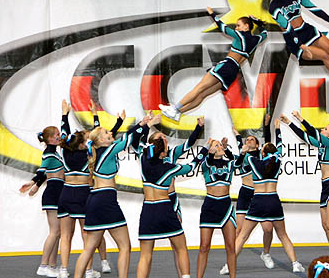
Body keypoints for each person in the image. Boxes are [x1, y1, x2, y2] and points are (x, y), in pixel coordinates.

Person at [72, 114, 152, 278]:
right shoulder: (107, 151)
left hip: (94, 200)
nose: (110, 133)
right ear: (101, 140)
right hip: (106, 200)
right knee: (125, 246)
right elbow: (129, 139)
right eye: (106, 132)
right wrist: (146, 124)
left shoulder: (101, 151)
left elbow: (125, 137)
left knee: (88, 248)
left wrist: (142, 123)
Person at [131, 119, 210, 278]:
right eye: (161, 139)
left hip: (148, 209)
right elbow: (191, 166)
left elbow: (135, 140)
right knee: (181, 247)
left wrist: (146, 124)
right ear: (160, 150)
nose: (165, 139)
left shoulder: (143, 158)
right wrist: (205, 149)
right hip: (165, 207)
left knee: (145, 255)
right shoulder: (168, 167)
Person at [160, 7, 267, 121]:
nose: (236, 28)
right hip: (233, 72)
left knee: (199, 88)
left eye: (238, 25)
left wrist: (212, 14)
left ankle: (175, 109)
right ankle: (178, 113)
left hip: (227, 65)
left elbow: (223, 27)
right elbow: (265, 33)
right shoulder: (256, 40)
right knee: (203, 95)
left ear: (246, 26)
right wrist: (258, 23)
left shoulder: (240, 35)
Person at [281, 111, 329, 268]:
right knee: (325, 225)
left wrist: (300, 118)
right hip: (325, 186)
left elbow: (312, 131)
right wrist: (289, 123)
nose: (322, 129)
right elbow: (305, 136)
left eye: (325, 129)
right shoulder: (322, 145)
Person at [56, 100, 122, 278]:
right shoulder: (89, 154)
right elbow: (97, 136)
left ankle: (63, 269)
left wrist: (64, 114)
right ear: (83, 144)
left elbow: (65, 132)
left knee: (65, 235)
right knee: (88, 235)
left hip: (65, 193)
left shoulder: (65, 150)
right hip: (82, 195)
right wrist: (95, 115)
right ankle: (88, 270)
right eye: (87, 140)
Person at [234, 116, 305, 274]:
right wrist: (278, 129)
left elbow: (243, 158)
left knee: (244, 235)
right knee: (283, 235)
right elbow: (279, 145)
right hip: (273, 200)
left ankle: (230, 264)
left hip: (258, 200)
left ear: (262, 150)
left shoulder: (253, 161)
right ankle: (295, 263)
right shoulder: (277, 161)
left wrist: (242, 149)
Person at [220, 116, 275, 275]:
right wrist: (227, 146)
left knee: (268, 229)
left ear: (257, 145)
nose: (248, 141)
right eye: (247, 139)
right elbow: (234, 157)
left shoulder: (261, 155)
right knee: (239, 231)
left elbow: (268, 142)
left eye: (252, 140)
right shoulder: (242, 155)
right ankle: (230, 262)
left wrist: (266, 125)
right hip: (245, 193)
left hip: (259, 195)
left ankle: (266, 253)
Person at [20, 110, 66, 278]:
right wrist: (33, 182)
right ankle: (43, 265)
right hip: (53, 194)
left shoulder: (55, 153)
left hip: (58, 192)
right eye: (56, 135)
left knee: (58, 232)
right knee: (54, 231)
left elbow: (48, 173)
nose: (59, 136)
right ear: (49, 139)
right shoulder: (49, 153)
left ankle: (52, 266)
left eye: (59, 134)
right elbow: (42, 170)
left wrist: (37, 185)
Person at [196, 138, 239, 278]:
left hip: (226, 206)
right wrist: (209, 152)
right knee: (204, 247)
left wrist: (227, 149)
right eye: (216, 145)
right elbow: (208, 160)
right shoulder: (205, 163)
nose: (219, 147)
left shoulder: (229, 163)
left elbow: (239, 162)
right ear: (210, 150)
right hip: (210, 206)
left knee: (231, 247)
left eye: (220, 145)